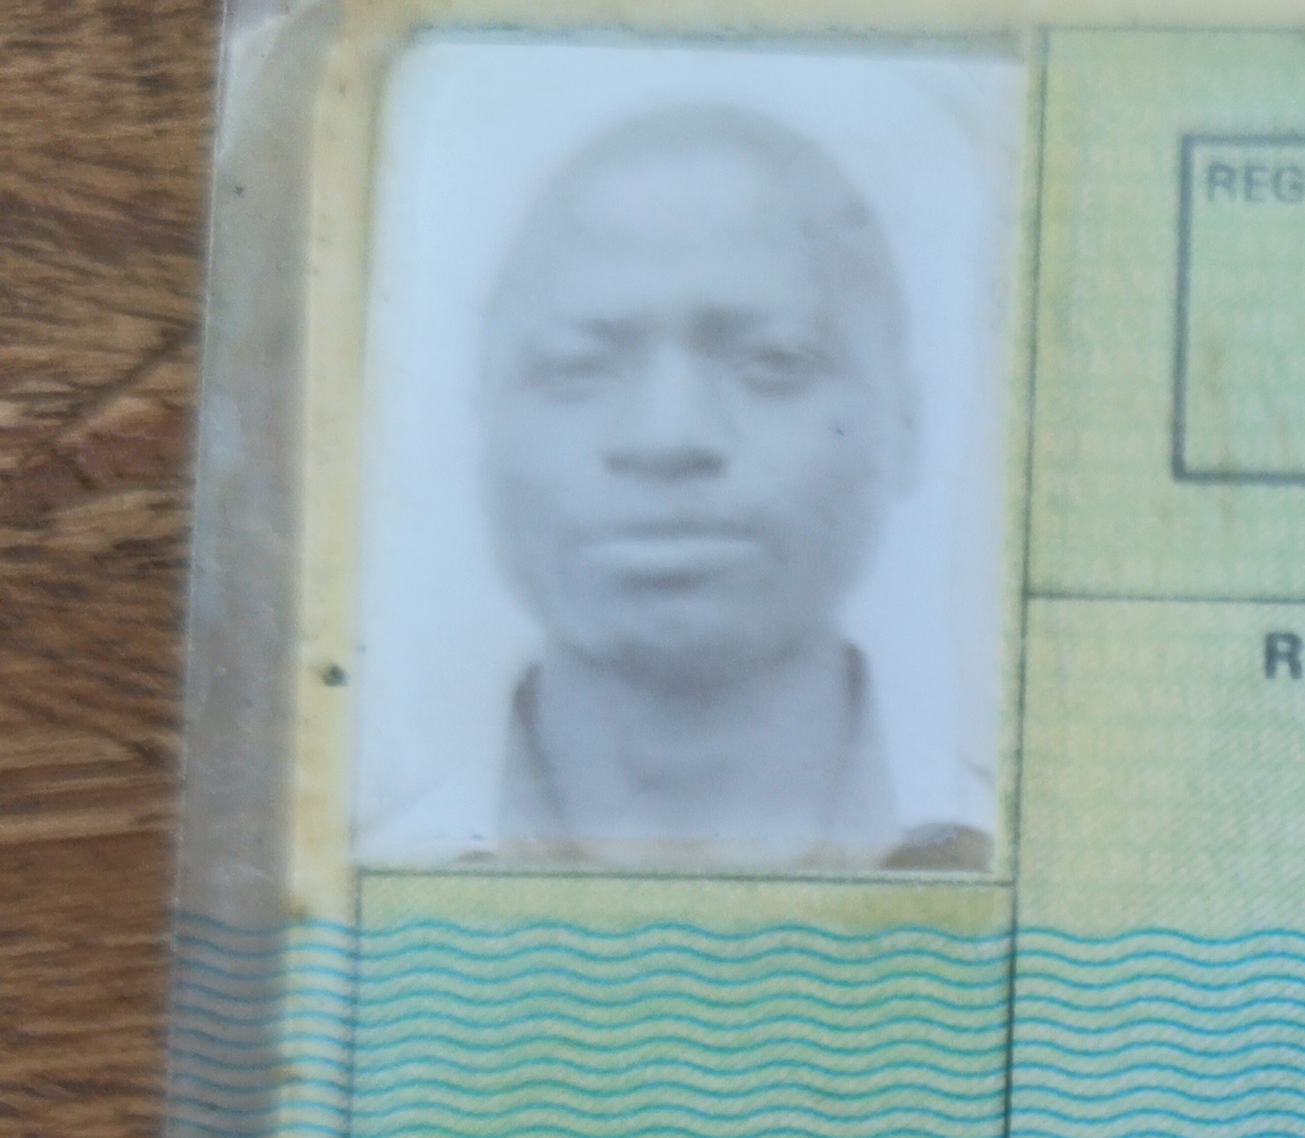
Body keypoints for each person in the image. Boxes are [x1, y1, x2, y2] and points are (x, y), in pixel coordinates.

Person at [369, 103, 991, 867]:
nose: (666, 437)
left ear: (906, 425)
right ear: (483, 425)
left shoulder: (1043, 870)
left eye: (773, 361)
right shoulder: (334, 893)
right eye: (577, 367)